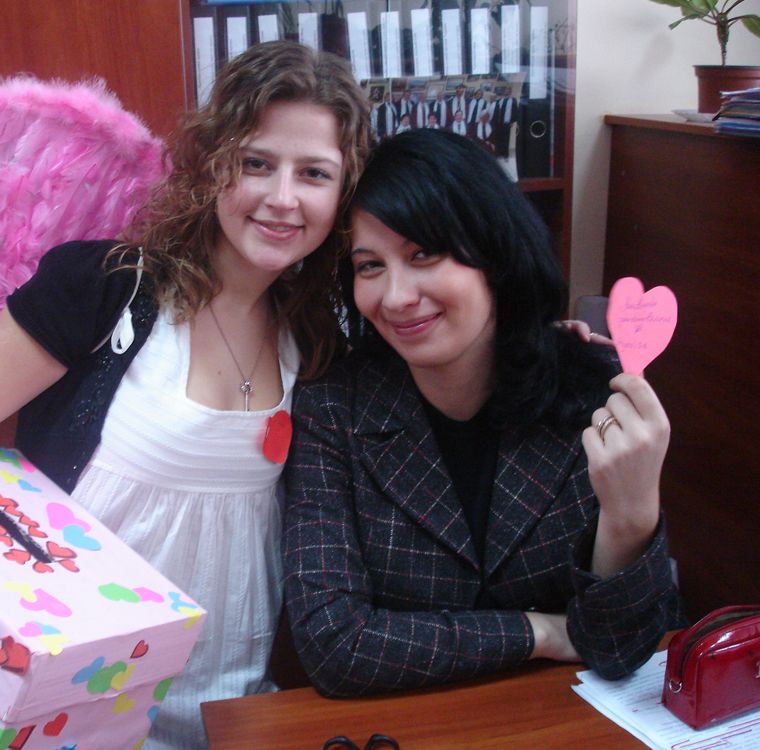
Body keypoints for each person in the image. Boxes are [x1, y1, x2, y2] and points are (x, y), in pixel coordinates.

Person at [0, 40, 371, 748]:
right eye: (256, 162)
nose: (283, 197)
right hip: (65, 705)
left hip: (228, 708)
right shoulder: (105, 288)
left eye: (314, 173)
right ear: (212, 164)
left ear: (342, 195)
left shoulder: (317, 341)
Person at [282, 129, 681, 697]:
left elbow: (620, 648)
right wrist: (541, 631)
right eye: (370, 266)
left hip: (566, 722)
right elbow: (335, 645)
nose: (395, 297)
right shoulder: (334, 407)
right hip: (405, 723)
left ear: (494, 255)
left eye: (423, 253)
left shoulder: (595, 392)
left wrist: (631, 514)